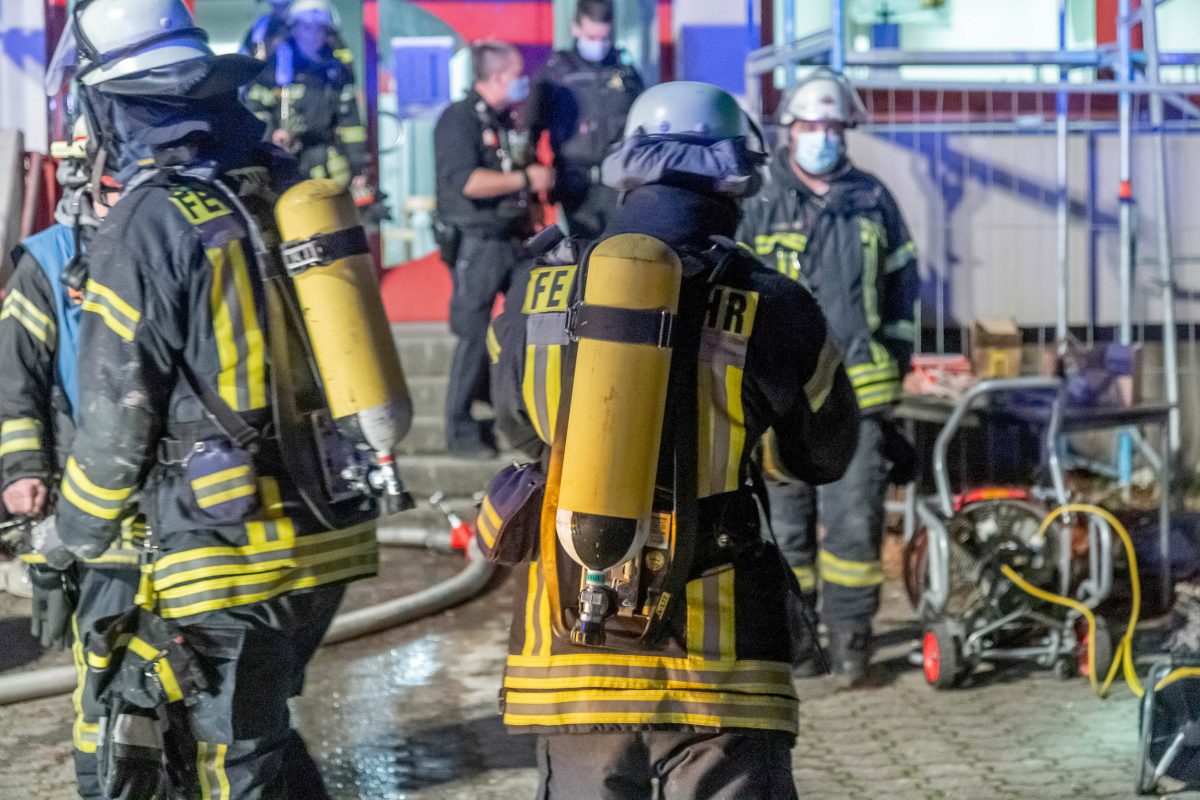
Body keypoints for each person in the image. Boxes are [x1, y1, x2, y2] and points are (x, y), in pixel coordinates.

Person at [44, 0, 381, 796]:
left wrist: (77, 533)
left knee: (220, 758)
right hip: (325, 534)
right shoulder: (281, 186)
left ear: (116, 104)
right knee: (261, 730)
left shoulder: (148, 221)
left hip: (231, 550)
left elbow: (118, 416)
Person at [488, 81, 859, 799]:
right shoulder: (770, 302)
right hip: (720, 670)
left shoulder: (536, 287)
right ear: (736, 178)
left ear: (628, 168)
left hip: (571, 656)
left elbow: (513, 426)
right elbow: (825, 453)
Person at [738, 69, 919, 682]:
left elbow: (901, 291)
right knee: (783, 526)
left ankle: (851, 638)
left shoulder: (873, 198)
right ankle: (798, 638)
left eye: (833, 126)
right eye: (811, 125)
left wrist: (895, 362)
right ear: (789, 129)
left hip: (858, 393)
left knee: (854, 525)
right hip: (777, 394)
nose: (823, 136)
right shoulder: (757, 200)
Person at [0, 118, 144, 795]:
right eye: (117, 185)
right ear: (88, 179)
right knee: (102, 670)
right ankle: (100, 784)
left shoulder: (163, 244)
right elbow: (15, 380)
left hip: (179, 510)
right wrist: (25, 471)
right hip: (88, 504)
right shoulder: (50, 260)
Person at [434, 40, 553, 458]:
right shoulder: (458, 120)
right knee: (472, 335)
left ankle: (509, 406)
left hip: (514, 239)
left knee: (525, 323)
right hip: (479, 241)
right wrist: (526, 181)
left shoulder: (503, 120)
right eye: (517, 72)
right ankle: (460, 428)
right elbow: (466, 182)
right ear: (499, 75)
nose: (523, 81)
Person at [526, 0, 643, 241]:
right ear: (575, 28)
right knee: (586, 255)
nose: (598, 44)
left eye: (604, 37)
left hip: (621, 182)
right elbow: (531, 129)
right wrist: (533, 191)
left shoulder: (625, 69)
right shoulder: (556, 71)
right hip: (577, 184)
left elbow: (644, 121)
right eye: (591, 36)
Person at [244, 0, 367, 188]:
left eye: (320, 29)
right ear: (294, 29)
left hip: (325, 163)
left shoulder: (336, 72)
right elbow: (254, 106)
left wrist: (358, 166)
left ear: (328, 33)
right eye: (306, 27)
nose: (313, 34)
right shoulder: (274, 69)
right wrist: (272, 133)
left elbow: (350, 122)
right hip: (282, 161)